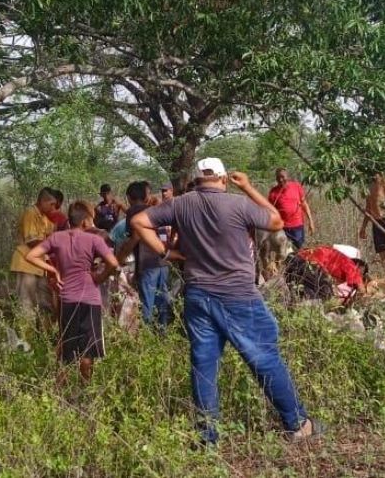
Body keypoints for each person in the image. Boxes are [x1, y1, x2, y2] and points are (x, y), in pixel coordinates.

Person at [131, 157, 322, 444]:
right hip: (238, 294)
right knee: (264, 356)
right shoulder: (238, 204)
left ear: (197, 180)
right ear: (222, 179)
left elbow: (138, 221)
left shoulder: (180, 204)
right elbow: (277, 220)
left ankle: (208, 436)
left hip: (197, 295)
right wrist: (248, 188)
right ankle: (297, 423)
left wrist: (166, 254)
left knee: (203, 363)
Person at [25, 201, 119, 383]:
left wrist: (53, 271)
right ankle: (87, 387)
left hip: (67, 299)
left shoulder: (56, 238)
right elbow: (113, 263)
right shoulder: (94, 240)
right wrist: (100, 277)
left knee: (67, 349)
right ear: (85, 222)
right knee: (88, 350)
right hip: (90, 299)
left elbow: (31, 256)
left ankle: (62, 392)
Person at [118, 181, 172, 329]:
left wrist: (120, 258)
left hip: (148, 264)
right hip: (163, 262)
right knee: (162, 300)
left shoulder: (134, 211)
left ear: (129, 197)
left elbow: (134, 238)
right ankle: (163, 333)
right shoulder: (154, 209)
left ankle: (146, 335)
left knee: (147, 303)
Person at [10, 188, 57, 327]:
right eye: (51, 204)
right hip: (26, 264)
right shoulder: (30, 213)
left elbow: (52, 232)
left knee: (44, 301)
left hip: (39, 266)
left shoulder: (44, 217)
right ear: (42, 201)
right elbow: (32, 242)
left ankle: (44, 334)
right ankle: (26, 340)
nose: (53, 208)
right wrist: (53, 246)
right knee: (26, 303)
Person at [285, 245, 368, 302]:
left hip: (293, 260)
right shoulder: (351, 265)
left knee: (307, 293)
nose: (361, 274)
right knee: (326, 296)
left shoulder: (335, 257)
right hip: (310, 264)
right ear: (357, 263)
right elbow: (362, 290)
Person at [358, 173, 385, 278]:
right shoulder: (369, 184)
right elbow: (368, 207)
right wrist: (363, 227)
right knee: (383, 254)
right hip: (376, 222)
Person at [267, 168, 315, 250]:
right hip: (282, 228)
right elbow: (270, 211)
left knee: (298, 250)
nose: (281, 179)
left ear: (287, 176)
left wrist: (310, 221)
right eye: (278, 177)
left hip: (297, 226)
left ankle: (298, 262)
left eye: (283, 177)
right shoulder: (273, 192)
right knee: (284, 252)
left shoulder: (296, 186)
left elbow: (304, 204)